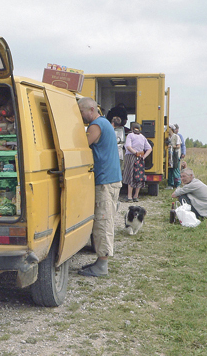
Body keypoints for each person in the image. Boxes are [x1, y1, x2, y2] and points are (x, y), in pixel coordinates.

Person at [78, 97, 122, 277]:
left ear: (91, 109)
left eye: (81, 112)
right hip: (110, 179)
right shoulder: (105, 123)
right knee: (104, 219)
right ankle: (100, 261)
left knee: (103, 220)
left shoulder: (96, 126)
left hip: (105, 182)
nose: (80, 116)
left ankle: (102, 265)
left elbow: (82, 145)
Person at [121, 123, 152, 202]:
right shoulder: (142, 137)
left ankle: (129, 197)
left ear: (132, 128)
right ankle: (136, 196)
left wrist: (135, 153)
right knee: (139, 176)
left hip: (131, 157)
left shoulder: (130, 135)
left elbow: (128, 146)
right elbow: (149, 148)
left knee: (130, 175)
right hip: (140, 158)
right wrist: (143, 156)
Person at [167, 124, 182, 189]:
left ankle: (177, 184)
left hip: (175, 155)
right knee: (169, 170)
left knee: (176, 170)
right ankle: (170, 184)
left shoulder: (176, 136)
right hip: (169, 156)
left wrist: (172, 146)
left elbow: (178, 145)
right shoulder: (167, 137)